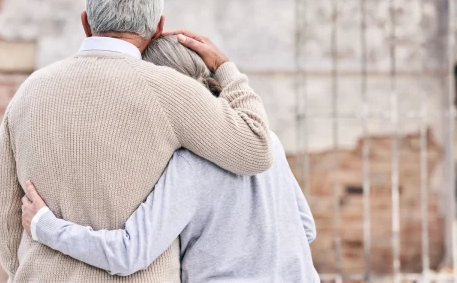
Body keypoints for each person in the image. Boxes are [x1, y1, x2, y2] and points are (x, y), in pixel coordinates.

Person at [0, 0, 273, 282]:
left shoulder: (29, 91)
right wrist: (224, 66)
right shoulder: (171, 90)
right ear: (158, 26)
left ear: (85, 22)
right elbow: (257, 150)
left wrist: (25, 270)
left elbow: (6, 210)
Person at [20, 36, 320, 283]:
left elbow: (129, 253)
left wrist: (46, 226)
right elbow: (306, 228)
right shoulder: (269, 140)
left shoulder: (189, 164)